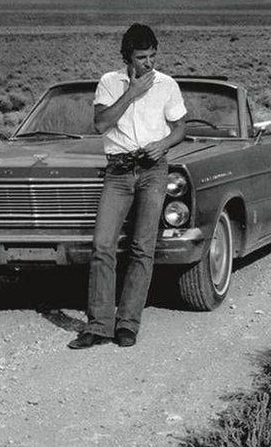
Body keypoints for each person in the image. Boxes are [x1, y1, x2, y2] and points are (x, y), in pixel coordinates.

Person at [68, 22, 188, 349]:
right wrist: (131, 93)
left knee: (142, 247)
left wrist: (163, 144)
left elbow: (180, 127)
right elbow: (101, 124)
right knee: (102, 245)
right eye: (141, 57)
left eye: (152, 56)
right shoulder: (110, 82)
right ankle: (98, 326)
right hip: (119, 171)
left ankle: (128, 324)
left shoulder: (167, 85)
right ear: (127, 58)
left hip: (153, 170)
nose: (148, 63)